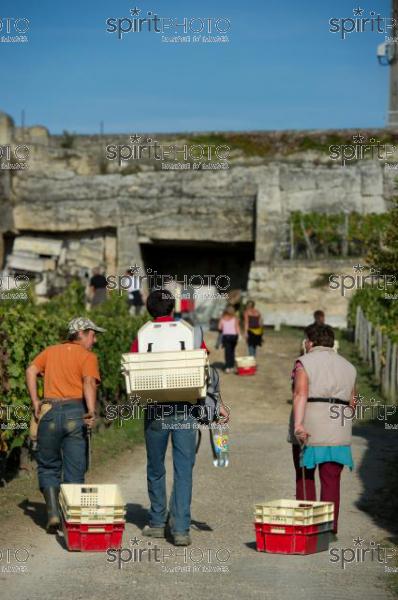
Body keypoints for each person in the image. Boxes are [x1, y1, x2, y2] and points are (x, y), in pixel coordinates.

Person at [130, 289, 228, 546]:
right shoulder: (190, 331)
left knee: (155, 468)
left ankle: (157, 522)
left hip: (154, 410)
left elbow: (134, 367)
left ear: (149, 310)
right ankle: (181, 529)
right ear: (173, 308)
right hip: (185, 410)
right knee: (183, 470)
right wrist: (217, 403)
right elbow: (205, 369)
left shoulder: (143, 334)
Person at [25, 317, 104, 533]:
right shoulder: (88, 356)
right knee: (74, 470)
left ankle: (52, 513)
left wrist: (35, 402)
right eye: (92, 334)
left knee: (49, 465)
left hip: (48, 414)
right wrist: (90, 410)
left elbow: (30, 371)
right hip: (74, 414)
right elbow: (88, 382)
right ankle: (71, 523)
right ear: (82, 333)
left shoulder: (50, 351)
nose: (94, 340)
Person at [289, 323, 357, 535]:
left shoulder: (304, 363)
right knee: (331, 480)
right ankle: (328, 529)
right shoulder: (349, 366)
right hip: (339, 428)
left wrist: (299, 425)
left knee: (305, 477)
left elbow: (300, 394)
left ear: (309, 342)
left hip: (311, 425)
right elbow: (353, 402)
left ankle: (307, 526)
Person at [218, 304, 240, 373]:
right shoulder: (235, 318)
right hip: (234, 336)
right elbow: (237, 328)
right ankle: (232, 366)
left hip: (226, 336)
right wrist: (239, 336)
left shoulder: (222, 318)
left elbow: (219, 327)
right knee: (232, 351)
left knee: (227, 352)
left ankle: (227, 367)